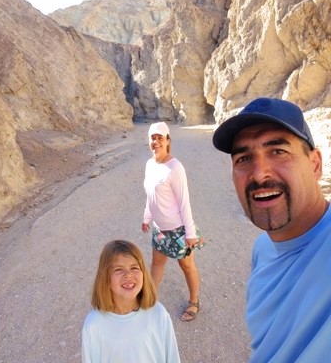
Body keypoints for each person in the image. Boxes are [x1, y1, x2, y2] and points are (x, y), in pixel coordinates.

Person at [212, 97, 331, 362]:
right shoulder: (263, 248)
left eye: (278, 151)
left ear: (315, 164)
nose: (259, 174)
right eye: (244, 158)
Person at [142, 122, 205, 322]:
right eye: (153, 138)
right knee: (157, 263)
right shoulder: (150, 164)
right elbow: (151, 195)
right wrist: (147, 217)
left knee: (187, 266)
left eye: (160, 138)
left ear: (168, 140)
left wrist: (190, 233)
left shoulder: (175, 167)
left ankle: (194, 301)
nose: (156, 142)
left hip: (177, 229)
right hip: (159, 229)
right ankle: (149, 300)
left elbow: (184, 202)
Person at [82, 239, 180, 363]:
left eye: (134, 268)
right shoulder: (94, 324)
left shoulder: (158, 313)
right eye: (118, 269)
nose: (128, 274)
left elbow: (172, 357)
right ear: (105, 278)